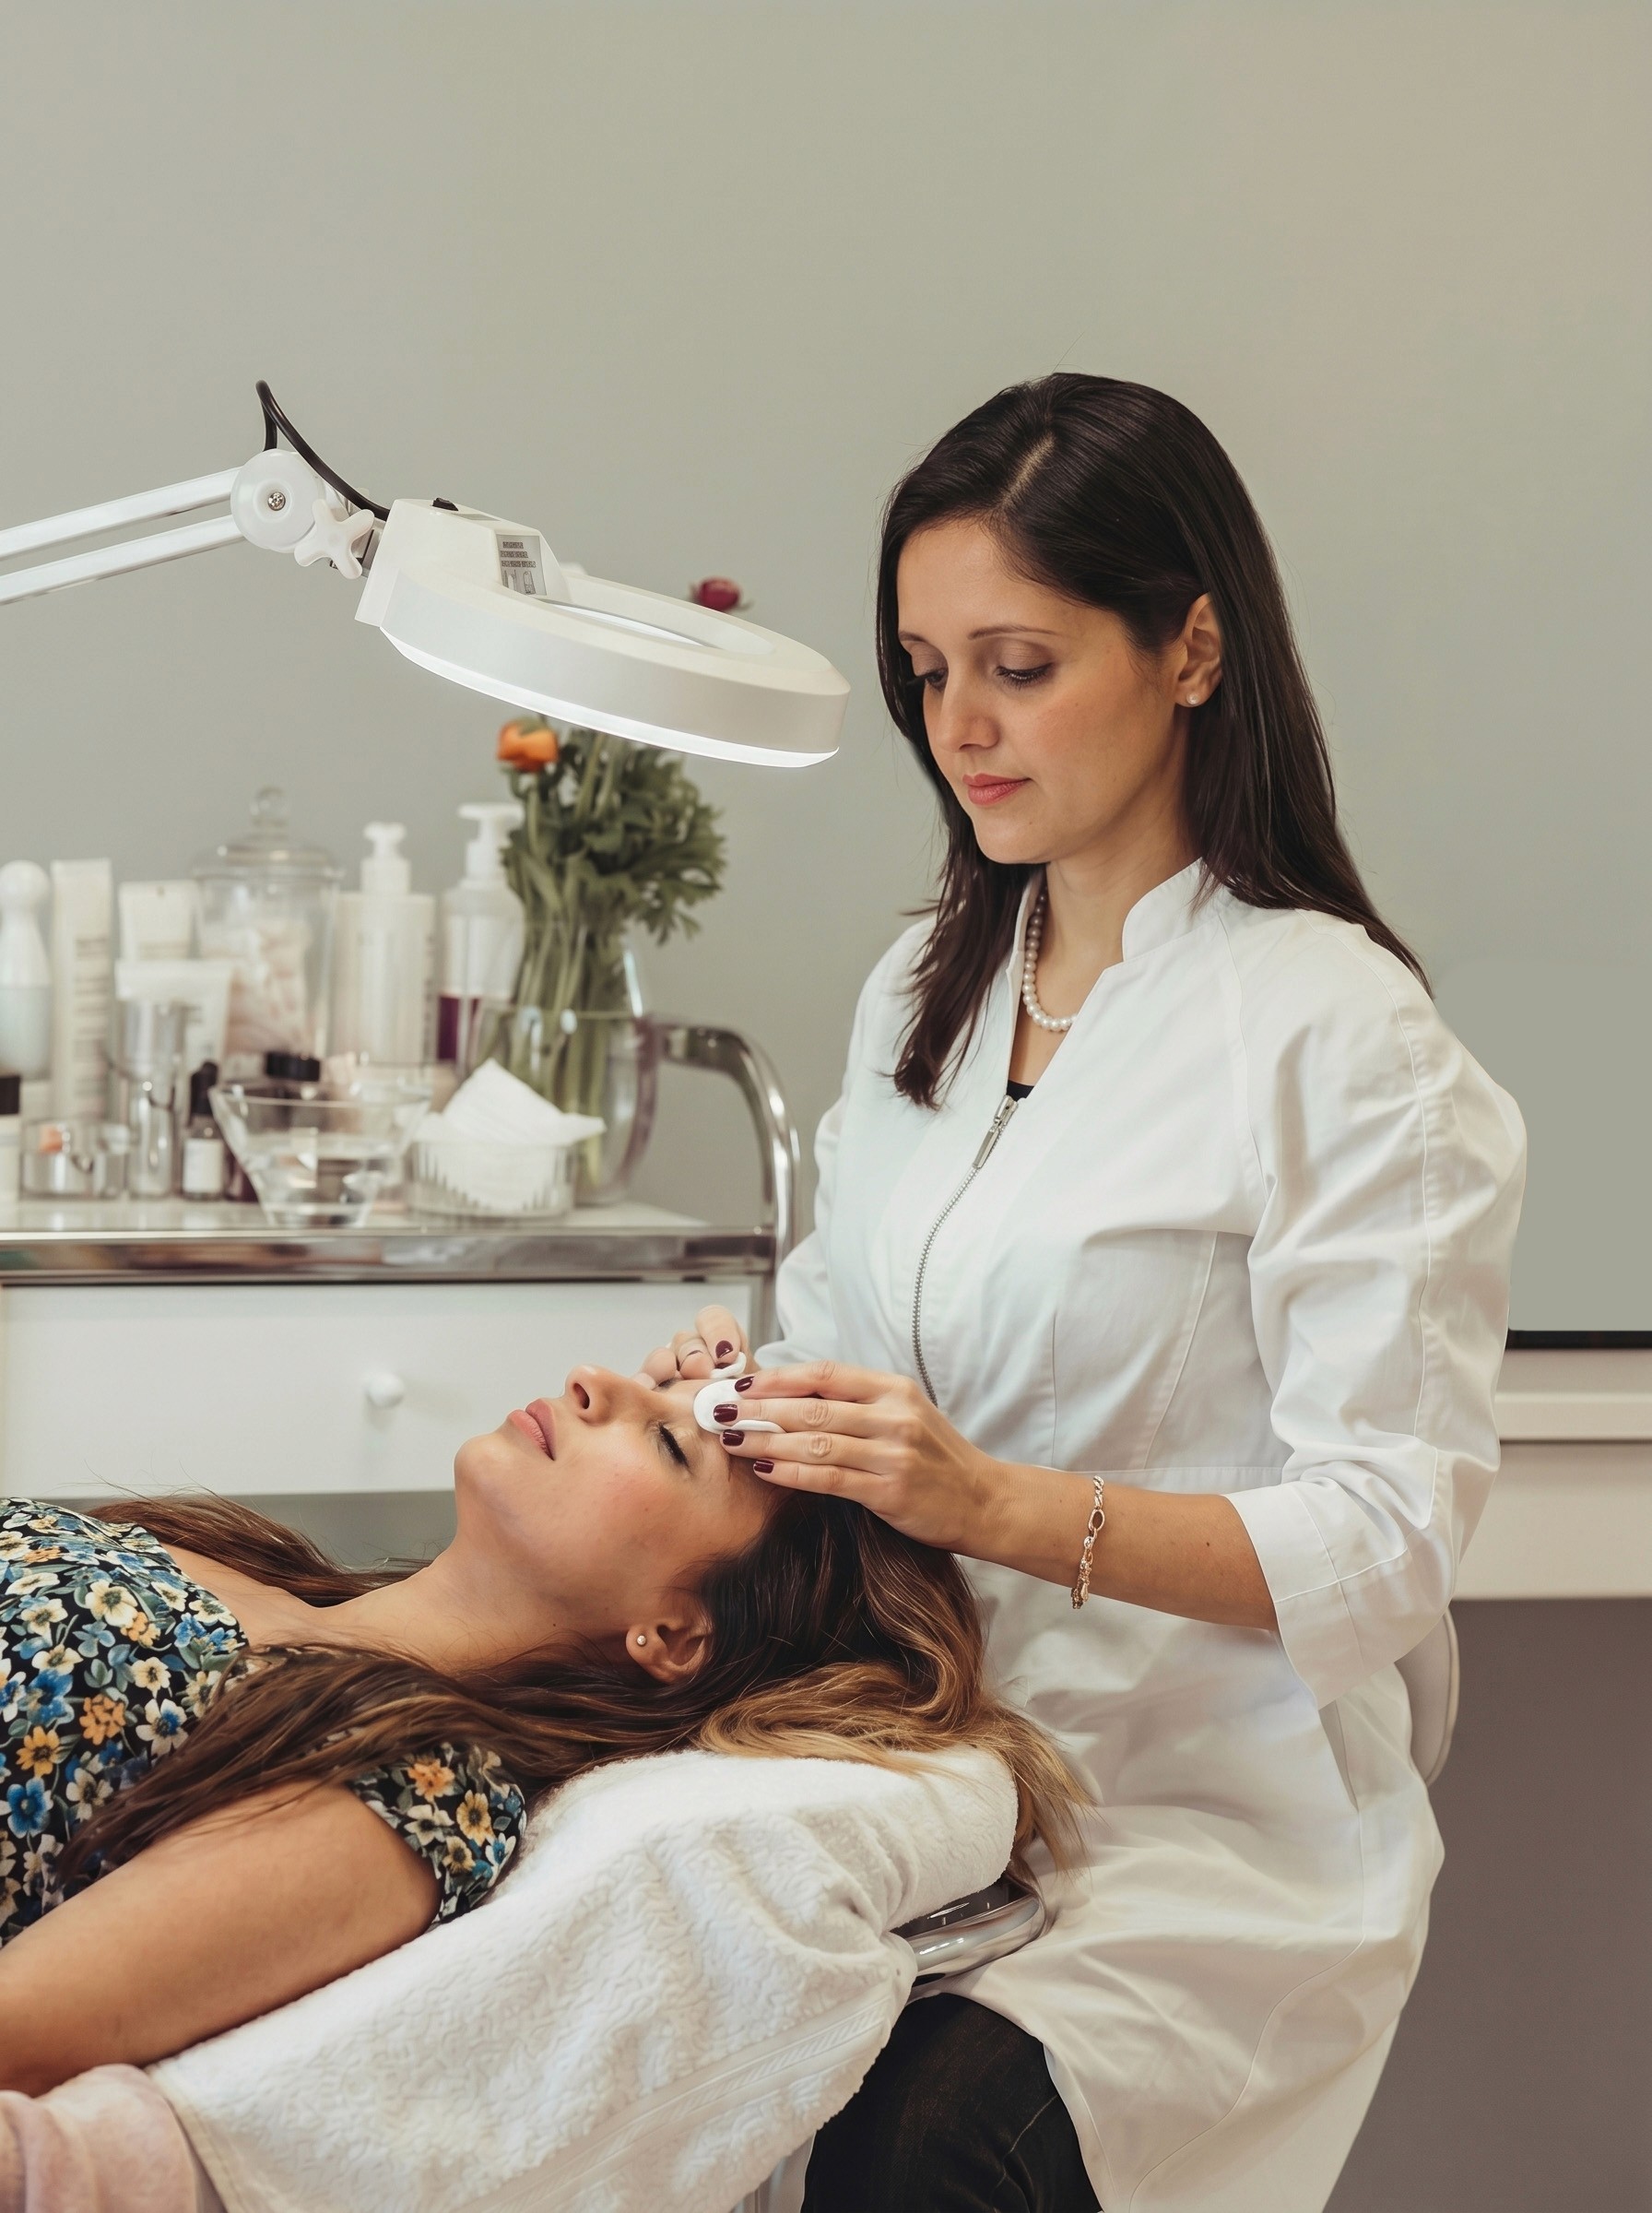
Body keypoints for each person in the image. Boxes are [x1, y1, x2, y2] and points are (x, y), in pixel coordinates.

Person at [645, 374, 1527, 2210]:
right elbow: (850, 1347)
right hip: (912, 1764)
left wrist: (989, 1507)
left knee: (915, 2160)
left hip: (1192, 1834)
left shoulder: (1335, 1036)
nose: (958, 727)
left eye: (1017, 664)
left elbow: (1381, 1542)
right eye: (922, 671)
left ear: (1190, 647)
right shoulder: (921, 993)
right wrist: (750, 1398)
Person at [0, 1367, 1078, 2097]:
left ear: (672, 1632)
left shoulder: (411, 1788)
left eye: (664, 1442)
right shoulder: (243, 1559)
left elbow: (27, 2032)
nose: (590, 1381)